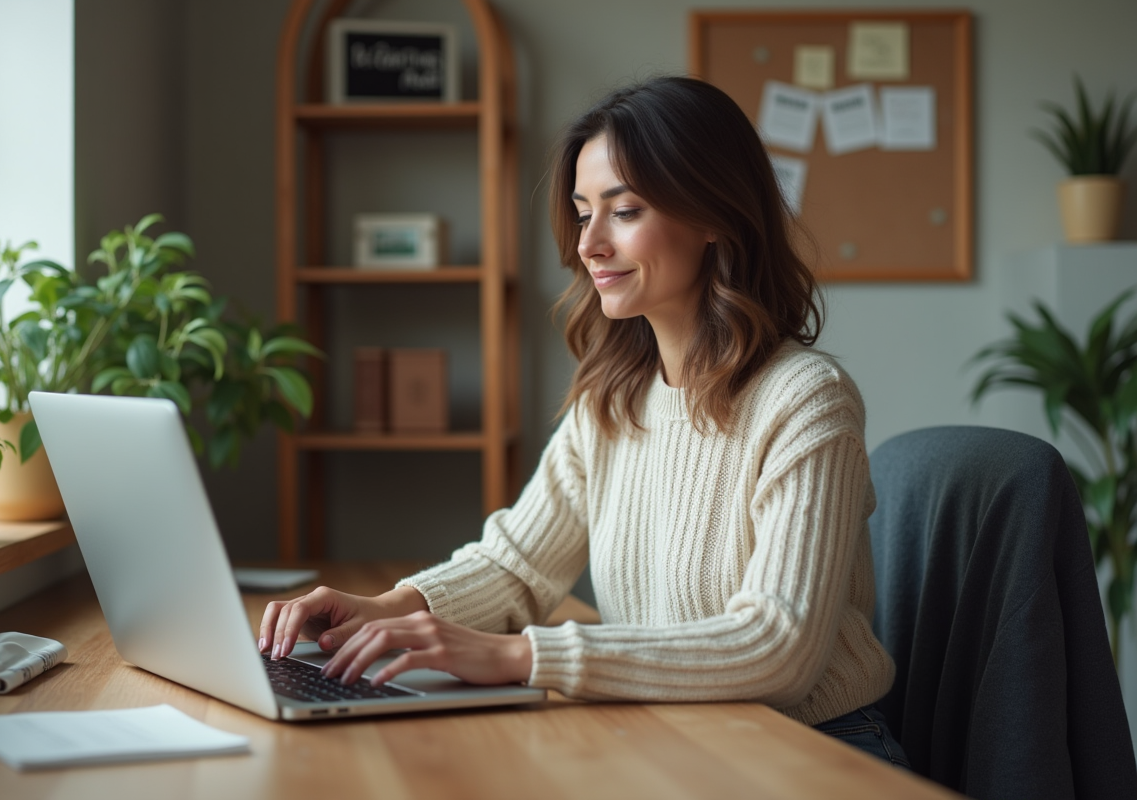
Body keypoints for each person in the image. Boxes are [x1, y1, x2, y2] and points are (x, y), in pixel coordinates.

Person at [259, 76, 908, 767]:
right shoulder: (613, 397)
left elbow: (778, 646)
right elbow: (519, 568)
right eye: (581, 212)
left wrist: (521, 656)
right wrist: (391, 606)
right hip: (677, 737)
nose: (589, 243)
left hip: (815, 751)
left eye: (623, 211)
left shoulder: (806, 400)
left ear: (716, 214)